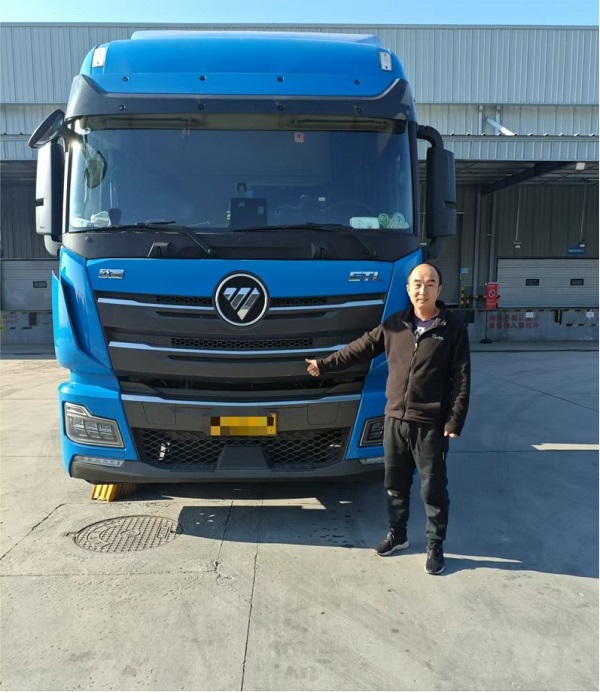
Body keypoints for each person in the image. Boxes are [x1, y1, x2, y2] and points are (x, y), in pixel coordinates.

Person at [305, 263, 470, 575]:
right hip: (395, 420)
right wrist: (325, 364)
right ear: (408, 289)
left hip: (430, 423)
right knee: (394, 484)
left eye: (430, 283)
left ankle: (435, 545)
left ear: (439, 289)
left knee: (433, 489)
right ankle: (398, 535)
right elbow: (362, 347)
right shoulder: (395, 324)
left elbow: (462, 377)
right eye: (417, 283)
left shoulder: (452, 328)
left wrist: (454, 419)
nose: (423, 289)